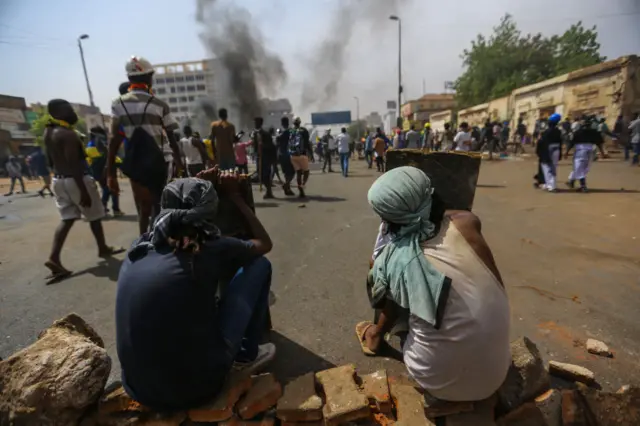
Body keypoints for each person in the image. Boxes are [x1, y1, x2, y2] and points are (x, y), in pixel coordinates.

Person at [116, 173, 275, 411]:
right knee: (260, 265)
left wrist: (188, 182)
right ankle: (245, 355)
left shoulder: (140, 246)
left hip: (139, 388)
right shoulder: (210, 248)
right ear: (209, 210)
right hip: (199, 389)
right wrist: (235, 196)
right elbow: (265, 243)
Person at [355, 166, 509, 402]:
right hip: (496, 373)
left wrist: (376, 329)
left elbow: (391, 308)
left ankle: (376, 338)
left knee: (399, 292)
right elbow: (449, 215)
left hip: (439, 381)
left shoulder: (392, 261)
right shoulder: (467, 223)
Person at [44, 99, 123, 280]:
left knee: (67, 218)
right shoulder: (69, 135)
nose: (72, 113)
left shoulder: (48, 133)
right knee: (95, 216)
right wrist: (84, 191)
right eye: (67, 110)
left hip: (58, 180)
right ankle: (102, 248)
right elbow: (74, 165)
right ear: (56, 112)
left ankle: (54, 257)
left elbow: (50, 161)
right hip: (76, 180)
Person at [108, 56, 184, 236]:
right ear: (149, 77)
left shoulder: (117, 104)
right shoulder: (159, 104)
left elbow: (114, 139)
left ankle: (143, 241)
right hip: (160, 160)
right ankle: (160, 239)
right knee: (159, 204)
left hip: (135, 162)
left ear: (129, 79)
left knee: (143, 208)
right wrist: (180, 162)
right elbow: (172, 137)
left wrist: (111, 173)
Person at [87, 127, 124, 216]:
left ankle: (106, 208)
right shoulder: (99, 143)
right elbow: (106, 156)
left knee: (107, 189)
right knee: (112, 189)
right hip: (105, 170)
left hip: (98, 170)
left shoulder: (91, 144)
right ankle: (113, 209)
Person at [565, 116, 603, 192]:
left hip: (580, 151)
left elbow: (571, 143)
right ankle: (571, 181)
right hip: (590, 151)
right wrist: (602, 152)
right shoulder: (594, 132)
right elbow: (599, 143)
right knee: (583, 168)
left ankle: (583, 186)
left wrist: (566, 152)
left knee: (578, 167)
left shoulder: (578, 132)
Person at [536, 114, 563, 192]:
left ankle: (551, 186)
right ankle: (550, 184)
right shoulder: (558, 132)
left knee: (546, 167)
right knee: (553, 168)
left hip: (547, 150)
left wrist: (539, 151)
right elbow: (560, 142)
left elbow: (541, 143)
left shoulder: (546, 132)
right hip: (556, 149)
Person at [251, 117, 276, 199]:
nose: (255, 124)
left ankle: (269, 192)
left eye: (257, 123)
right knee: (260, 175)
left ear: (260, 123)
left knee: (265, 175)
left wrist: (263, 146)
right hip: (259, 157)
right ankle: (269, 192)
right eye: (254, 123)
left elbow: (271, 146)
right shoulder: (254, 134)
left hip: (266, 158)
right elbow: (254, 146)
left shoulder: (266, 134)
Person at [288, 116, 312, 198]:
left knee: (298, 172)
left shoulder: (290, 131)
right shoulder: (304, 130)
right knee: (306, 172)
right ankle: (302, 185)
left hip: (292, 155)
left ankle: (300, 189)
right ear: (300, 122)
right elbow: (307, 143)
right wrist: (311, 153)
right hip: (302, 154)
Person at [277, 117, 295, 196]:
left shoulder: (280, 132)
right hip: (287, 154)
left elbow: (277, 141)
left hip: (281, 154)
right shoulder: (289, 131)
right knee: (292, 172)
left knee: (286, 173)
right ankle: (286, 185)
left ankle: (287, 188)